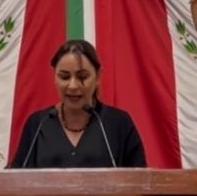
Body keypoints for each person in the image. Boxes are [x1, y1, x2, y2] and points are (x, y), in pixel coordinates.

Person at [11, 39, 146, 168]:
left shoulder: (119, 123)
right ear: (54, 76)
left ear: (98, 76)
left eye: (82, 77)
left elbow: (140, 182)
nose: (73, 86)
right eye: (64, 77)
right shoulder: (38, 123)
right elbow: (16, 181)